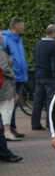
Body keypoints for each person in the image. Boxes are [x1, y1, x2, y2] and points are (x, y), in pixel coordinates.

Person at [32, 24, 55, 131]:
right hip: (51, 77)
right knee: (51, 101)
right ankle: (50, 124)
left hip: (39, 75)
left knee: (38, 100)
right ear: (54, 33)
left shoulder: (38, 44)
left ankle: (35, 123)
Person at [2, 17, 28, 138]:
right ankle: (7, 130)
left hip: (20, 77)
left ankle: (12, 128)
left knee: (14, 104)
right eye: (22, 25)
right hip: (11, 77)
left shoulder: (19, 39)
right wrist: (10, 73)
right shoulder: (5, 39)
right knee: (8, 104)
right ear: (15, 26)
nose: (24, 27)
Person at [0, 32, 23, 160]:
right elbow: (4, 67)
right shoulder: (1, 52)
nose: (3, 39)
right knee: (6, 111)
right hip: (5, 87)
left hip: (3, 86)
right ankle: (7, 134)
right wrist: (13, 75)